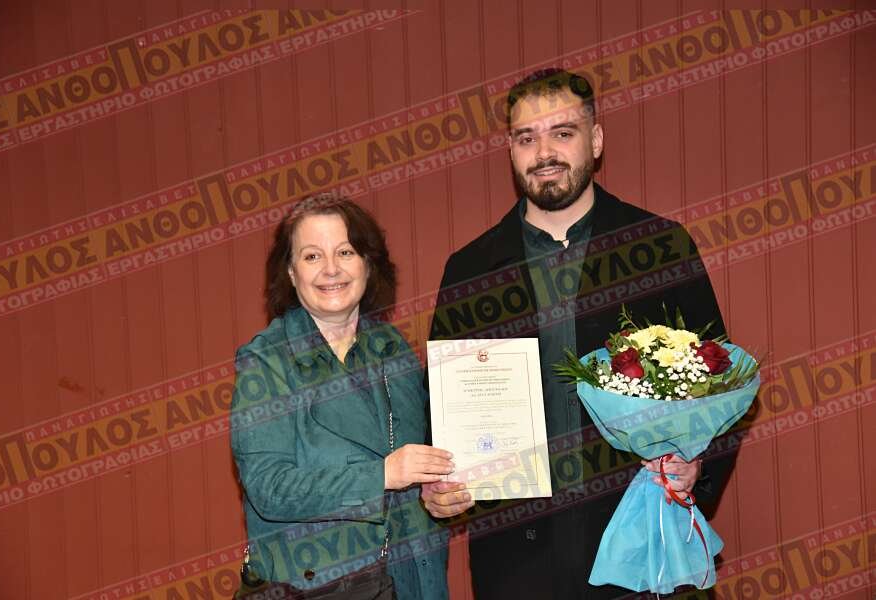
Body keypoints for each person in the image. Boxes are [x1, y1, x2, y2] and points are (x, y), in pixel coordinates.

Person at [421, 69, 736, 599]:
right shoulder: (470, 269)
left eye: (562, 133)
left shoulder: (659, 247)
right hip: (516, 557)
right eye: (527, 138)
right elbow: (441, 405)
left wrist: (698, 465)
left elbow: (721, 378)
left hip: (641, 538)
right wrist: (441, 485)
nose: (544, 152)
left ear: (595, 140)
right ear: (511, 150)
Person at [231, 193, 451, 599]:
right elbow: (269, 488)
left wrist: (436, 495)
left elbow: (410, 467)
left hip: (408, 577)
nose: (331, 269)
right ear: (291, 272)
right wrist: (381, 475)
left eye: (345, 252)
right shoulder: (267, 361)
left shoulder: (394, 350)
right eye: (312, 256)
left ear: (368, 263)